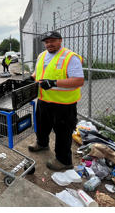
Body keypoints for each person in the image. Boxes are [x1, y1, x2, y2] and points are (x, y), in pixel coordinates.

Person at [27, 30, 85, 171]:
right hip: (44, 100)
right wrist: (31, 77)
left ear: (60, 40)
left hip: (63, 104)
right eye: (46, 42)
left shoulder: (70, 57)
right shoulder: (41, 55)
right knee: (41, 125)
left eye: (52, 41)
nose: (49, 44)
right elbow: (40, 71)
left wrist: (54, 83)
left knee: (63, 132)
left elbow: (79, 80)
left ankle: (64, 160)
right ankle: (42, 143)